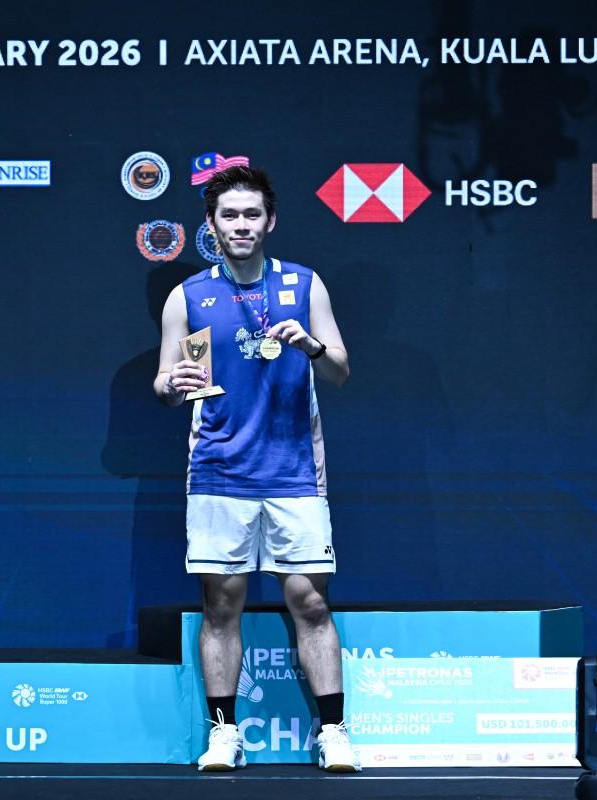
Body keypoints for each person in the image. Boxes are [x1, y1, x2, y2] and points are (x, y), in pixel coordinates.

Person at [153, 166, 358, 772]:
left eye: (251, 215)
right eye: (228, 216)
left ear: (270, 221)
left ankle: (334, 732)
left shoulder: (303, 285)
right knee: (221, 606)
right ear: (212, 227)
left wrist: (312, 348)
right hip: (218, 470)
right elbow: (167, 382)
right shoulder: (189, 296)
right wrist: (174, 383)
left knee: (311, 604)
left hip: (295, 471)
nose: (240, 225)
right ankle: (223, 734)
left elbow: (342, 370)